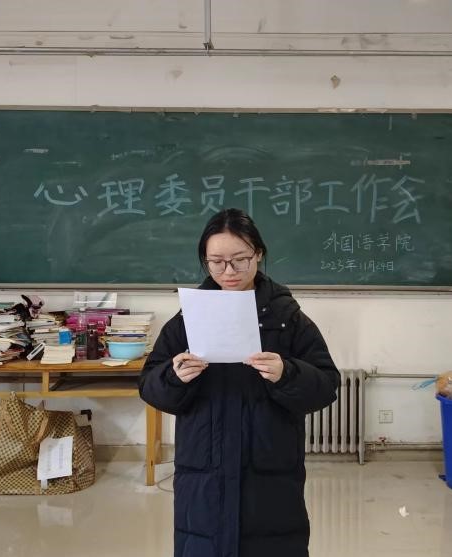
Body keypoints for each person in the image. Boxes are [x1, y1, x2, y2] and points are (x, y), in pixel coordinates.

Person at [140, 208, 341, 557]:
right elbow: (149, 386)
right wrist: (174, 378)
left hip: (270, 474)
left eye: (240, 260)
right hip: (203, 476)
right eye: (216, 262)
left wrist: (287, 373)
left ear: (258, 254)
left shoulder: (287, 319)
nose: (229, 271)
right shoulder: (188, 319)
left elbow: (326, 385)